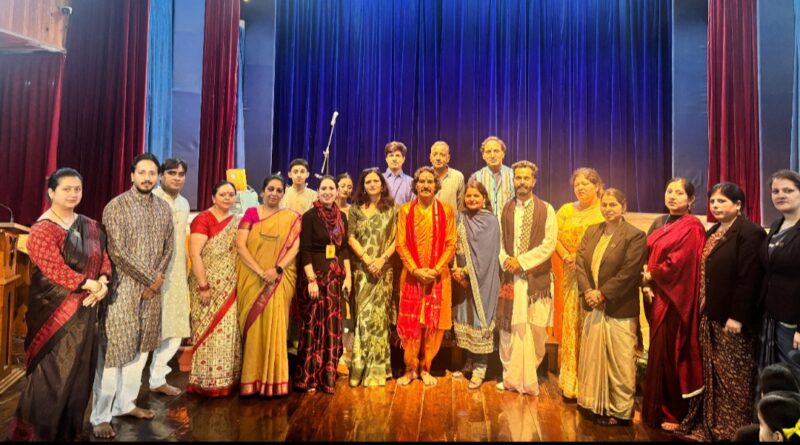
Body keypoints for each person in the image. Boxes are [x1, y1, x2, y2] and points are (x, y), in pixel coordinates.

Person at [8, 169, 111, 441]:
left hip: (86, 310)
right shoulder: (42, 229)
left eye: (77, 188)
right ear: (51, 192)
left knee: (79, 373)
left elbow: (105, 258)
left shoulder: (90, 225)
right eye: (66, 189)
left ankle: (68, 431)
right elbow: (54, 269)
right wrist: (92, 286)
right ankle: (37, 435)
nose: (73, 194)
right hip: (53, 313)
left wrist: (103, 283)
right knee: (51, 376)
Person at [91, 153, 174, 438]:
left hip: (152, 294)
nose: (148, 178)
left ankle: (125, 405)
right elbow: (117, 252)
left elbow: (168, 247)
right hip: (122, 291)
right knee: (114, 354)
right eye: (142, 172)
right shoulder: (116, 206)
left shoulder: (163, 208)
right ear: (131, 176)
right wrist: (151, 279)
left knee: (140, 353)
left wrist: (155, 281)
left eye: (152, 173)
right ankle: (100, 415)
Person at [677, 182, 765, 441]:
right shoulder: (715, 230)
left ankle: (732, 431)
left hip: (733, 321)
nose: (715, 206)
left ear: (738, 205)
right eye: (713, 201)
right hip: (711, 316)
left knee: (733, 378)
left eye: (722, 201)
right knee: (713, 374)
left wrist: (737, 316)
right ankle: (712, 426)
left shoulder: (750, 233)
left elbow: (747, 279)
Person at [575, 188, 647, 425]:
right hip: (593, 305)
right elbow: (580, 263)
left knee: (620, 361)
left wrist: (603, 294)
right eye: (605, 205)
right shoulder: (592, 231)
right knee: (595, 359)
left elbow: (629, 272)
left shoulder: (634, 236)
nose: (608, 209)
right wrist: (588, 291)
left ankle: (620, 411)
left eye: (613, 205)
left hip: (618, 307)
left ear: (623, 207)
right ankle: (596, 404)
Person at [641, 177, 705, 431]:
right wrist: (646, 281)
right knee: (657, 352)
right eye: (669, 191)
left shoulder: (693, 226)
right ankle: (655, 410)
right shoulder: (662, 222)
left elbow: (679, 263)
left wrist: (652, 274)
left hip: (675, 301)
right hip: (657, 296)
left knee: (671, 354)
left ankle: (674, 412)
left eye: (679, 193)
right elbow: (648, 257)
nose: (672, 196)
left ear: (690, 200)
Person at [236, 175, 301, 396]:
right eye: (270, 189)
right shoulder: (251, 214)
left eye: (279, 190)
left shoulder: (291, 217)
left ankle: (274, 380)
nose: (274, 193)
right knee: (254, 329)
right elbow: (241, 245)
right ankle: (251, 380)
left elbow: (294, 248)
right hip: (253, 278)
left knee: (277, 327)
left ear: (283, 193)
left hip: (280, 279)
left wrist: (277, 270)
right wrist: (260, 272)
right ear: (262, 192)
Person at [496, 160, 557, 395]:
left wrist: (522, 261)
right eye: (518, 177)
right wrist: (507, 261)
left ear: (534, 180)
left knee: (536, 329)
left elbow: (549, 244)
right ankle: (510, 378)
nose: (522, 182)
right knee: (509, 330)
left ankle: (529, 377)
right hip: (511, 278)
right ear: (513, 180)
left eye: (526, 178)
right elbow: (500, 242)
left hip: (536, 280)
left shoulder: (547, 209)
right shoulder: (506, 208)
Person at [395, 166, 457, 386]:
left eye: (430, 181)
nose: (426, 185)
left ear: (436, 185)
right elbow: (400, 243)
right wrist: (415, 270)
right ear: (415, 185)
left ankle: (426, 367)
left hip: (438, 278)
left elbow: (451, 244)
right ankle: (410, 368)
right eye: (421, 181)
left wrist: (435, 270)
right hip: (412, 276)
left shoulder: (447, 211)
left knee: (433, 325)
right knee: (412, 324)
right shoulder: (404, 211)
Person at [294, 175, 352, 393]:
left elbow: (343, 248)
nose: (328, 192)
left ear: (337, 191)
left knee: (332, 328)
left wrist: (348, 276)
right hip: (316, 277)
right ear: (317, 191)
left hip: (335, 277)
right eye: (323, 188)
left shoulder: (342, 217)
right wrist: (311, 279)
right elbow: (305, 249)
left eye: (331, 188)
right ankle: (309, 377)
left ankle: (327, 375)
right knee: (313, 327)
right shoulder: (309, 216)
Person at [187, 181, 242, 396]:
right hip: (206, 284)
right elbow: (194, 254)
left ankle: (227, 379)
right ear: (213, 197)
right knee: (206, 331)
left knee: (228, 331)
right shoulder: (203, 219)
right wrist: (204, 285)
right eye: (222, 194)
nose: (227, 198)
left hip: (229, 284)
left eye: (231, 194)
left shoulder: (236, 221)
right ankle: (204, 380)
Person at [556, 168, 605, 400]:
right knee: (571, 321)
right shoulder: (566, 209)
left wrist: (583, 258)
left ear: (597, 186)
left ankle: (590, 383)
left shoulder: (605, 208)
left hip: (595, 274)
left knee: (590, 324)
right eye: (577, 184)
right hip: (569, 272)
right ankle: (570, 382)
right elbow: (552, 236)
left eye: (586, 183)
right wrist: (566, 256)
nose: (581, 188)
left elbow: (611, 238)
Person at [347, 168, 397, 387]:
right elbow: (350, 238)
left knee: (379, 320)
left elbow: (397, 239)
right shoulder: (356, 209)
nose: (372, 184)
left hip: (384, 271)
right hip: (362, 271)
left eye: (376, 181)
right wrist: (368, 260)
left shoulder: (392, 208)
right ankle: (359, 368)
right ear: (363, 185)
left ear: (382, 184)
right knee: (364, 319)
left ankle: (379, 370)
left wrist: (382, 259)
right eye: (368, 182)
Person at [452, 180, 501, 390]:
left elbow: (488, 254)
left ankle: (481, 367)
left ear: (484, 199)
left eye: (476, 196)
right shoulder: (460, 217)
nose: (471, 199)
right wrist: (456, 268)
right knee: (466, 318)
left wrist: (467, 271)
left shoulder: (490, 221)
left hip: (483, 279)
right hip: (462, 280)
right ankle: (470, 360)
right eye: (468, 196)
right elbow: (454, 244)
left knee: (481, 318)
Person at [149, 158, 191, 397]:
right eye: (172, 173)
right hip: (151, 274)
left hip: (176, 274)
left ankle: (158, 378)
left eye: (181, 174)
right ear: (161, 176)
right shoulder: (151, 199)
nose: (177, 177)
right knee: (148, 328)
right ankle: (128, 392)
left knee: (176, 325)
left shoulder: (184, 204)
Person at [759, 170, 800, 373]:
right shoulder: (776, 225)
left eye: (788, 190)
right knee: (778, 378)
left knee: (794, 380)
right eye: (775, 191)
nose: (780, 195)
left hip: (793, 322)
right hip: (772, 315)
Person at [469, 136, 515, 222]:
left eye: (496, 151)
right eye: (488, 152)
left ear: (503, 154)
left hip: (508, 228)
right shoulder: (476, 177)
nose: (492, 155)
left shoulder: (514, 175)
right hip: (484, 228)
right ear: (483, 156)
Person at [430, 141, 465, 212]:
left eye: (442, 155)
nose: (438, 158)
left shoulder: (458, 176)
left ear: (448, 158)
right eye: (435, 154)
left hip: (451, 222)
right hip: (428, 222)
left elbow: (460, 207)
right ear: (430, 157)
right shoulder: (424, 176)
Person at [383, 141, 414, 206]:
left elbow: (413, 206)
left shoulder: (411, 182)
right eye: (391, 155)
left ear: (403, 159)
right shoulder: (379, 179)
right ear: (386, 159)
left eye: (397, 155)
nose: (394, 159)